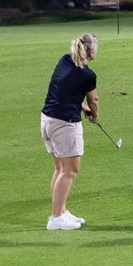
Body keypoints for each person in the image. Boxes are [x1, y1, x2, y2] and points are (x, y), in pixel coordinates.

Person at [42, 33, 101, 229]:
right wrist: (94, 115)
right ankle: (56, 218)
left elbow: (64, 89)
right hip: (64, 124)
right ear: (92, 51)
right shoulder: (88, 75)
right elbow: (94, 100)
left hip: (47, 120)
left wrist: (80, 106)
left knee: (60, 169)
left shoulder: (64, 60)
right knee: (70, 171)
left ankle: (61, 212)